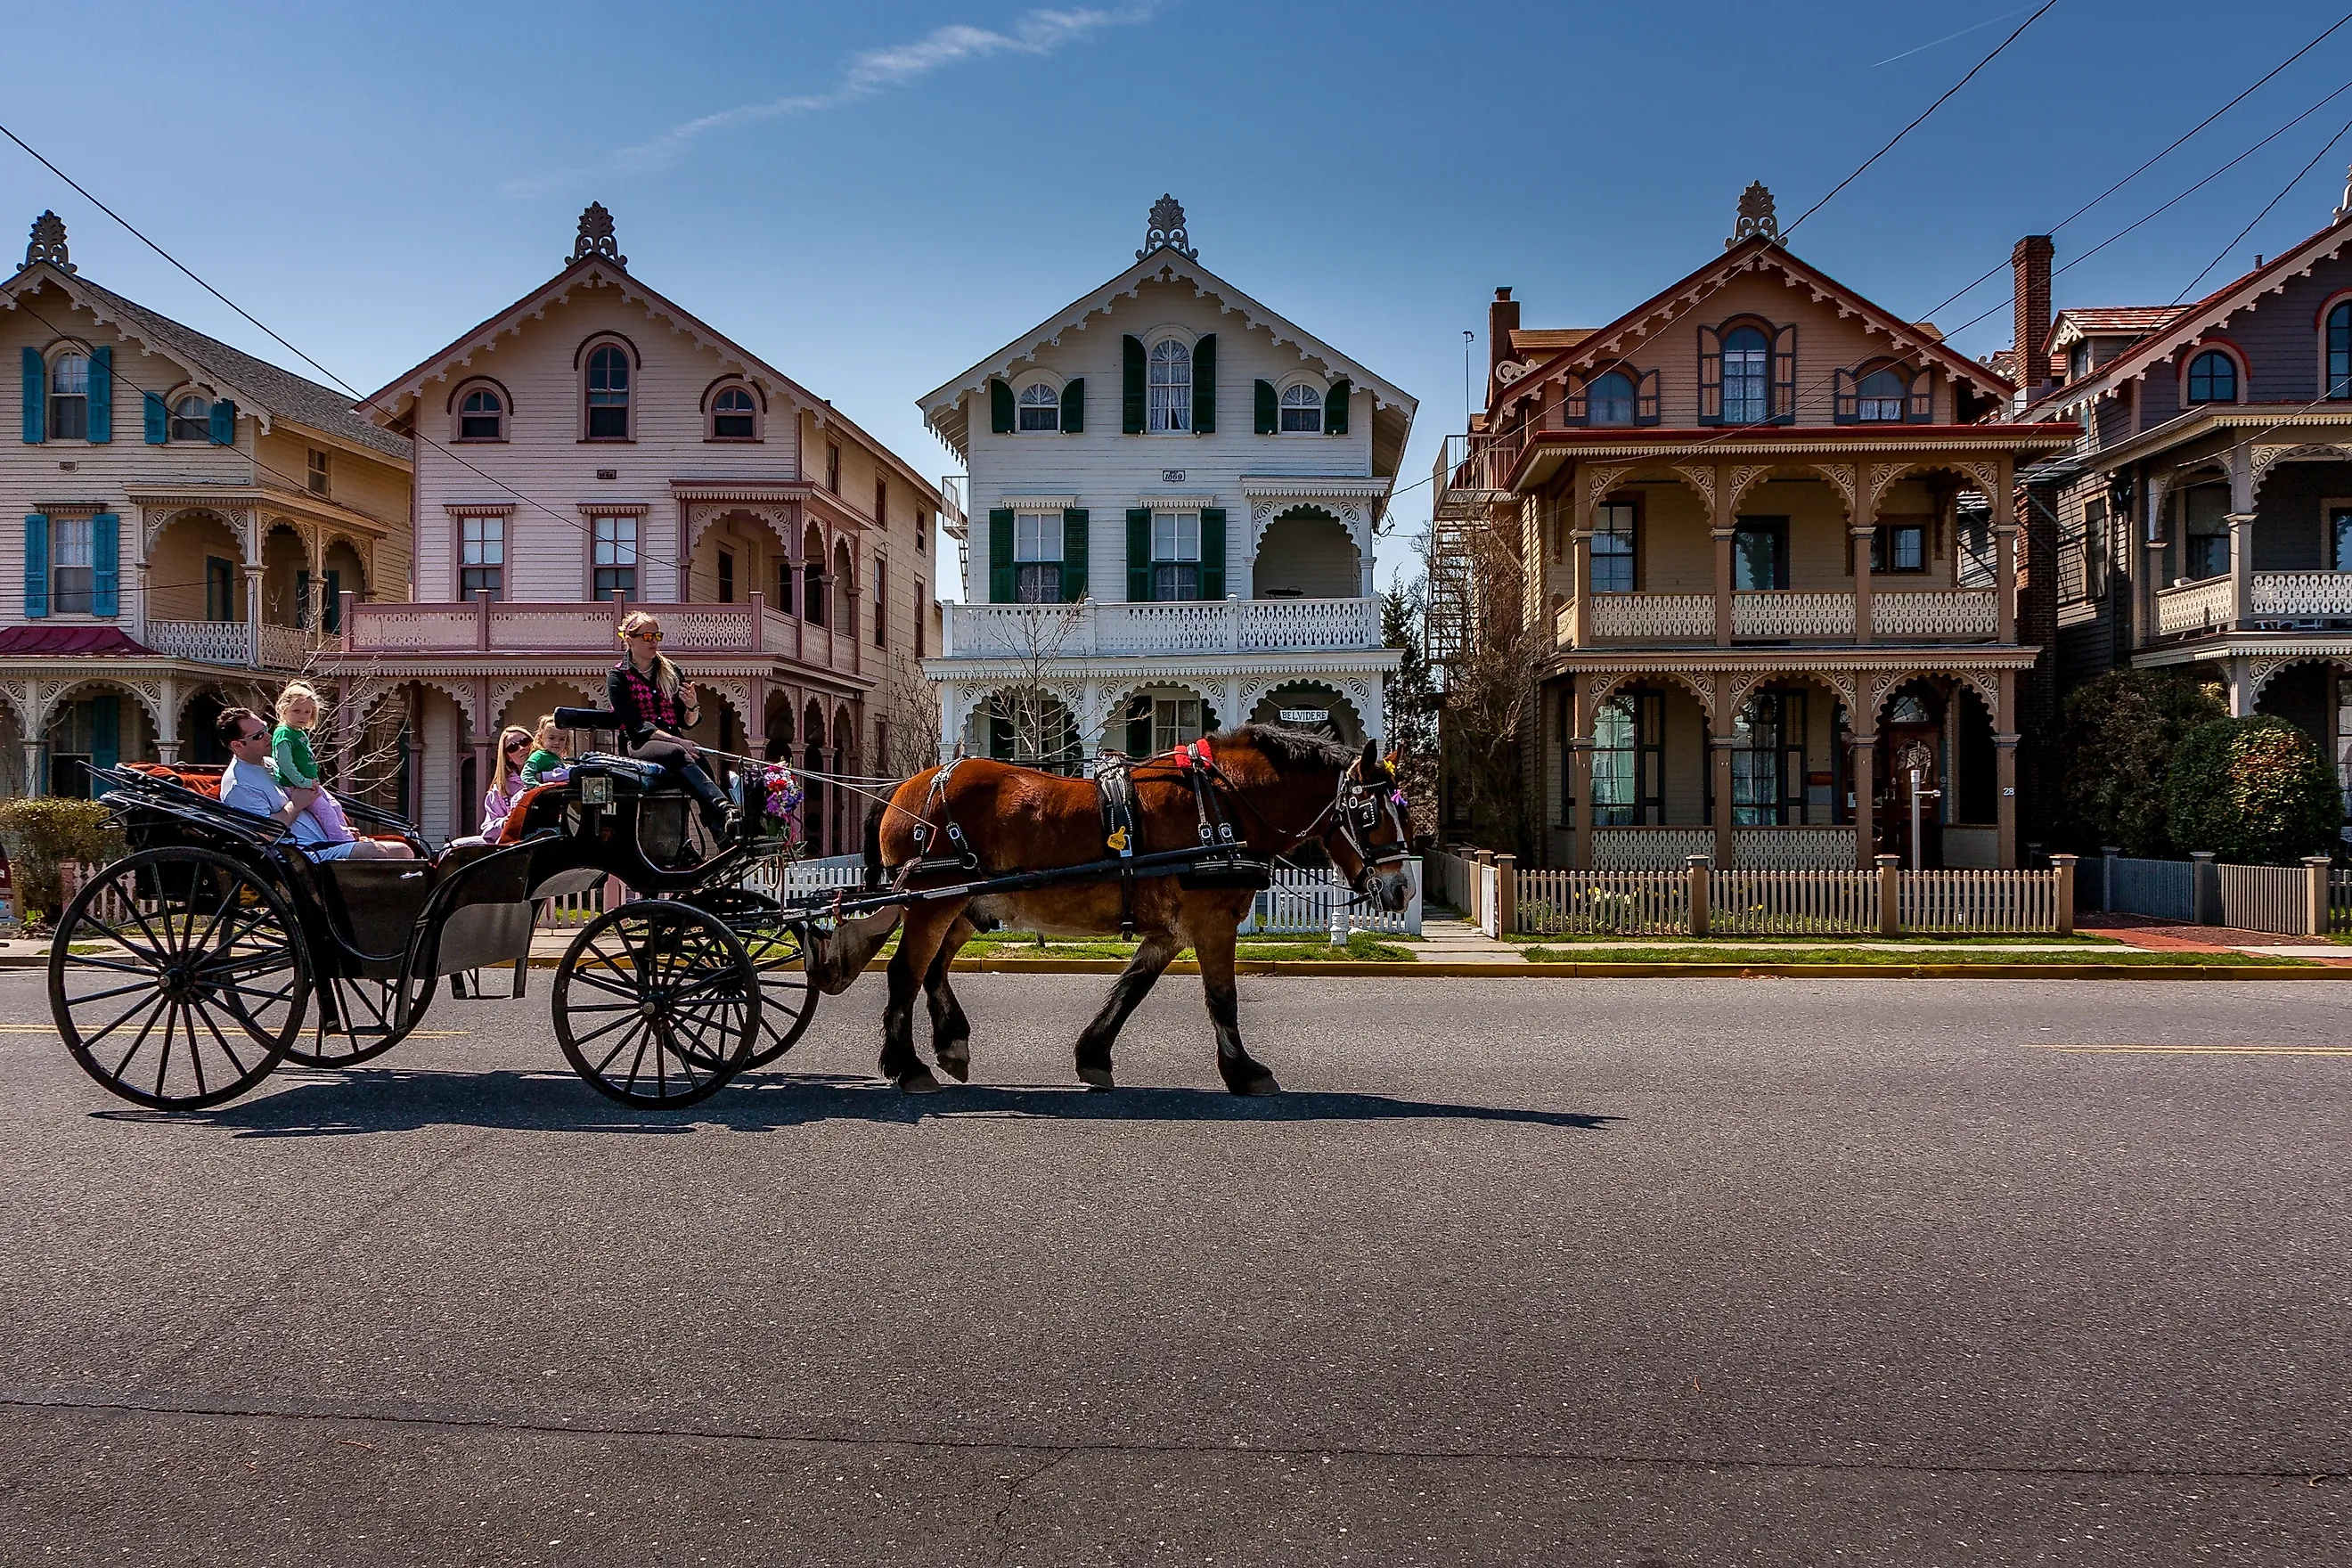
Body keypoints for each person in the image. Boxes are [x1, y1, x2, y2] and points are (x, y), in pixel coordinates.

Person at [217, 706, 412, 861]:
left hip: (324, 842)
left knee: (404, 852)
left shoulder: (273, 763)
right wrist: (295, 805)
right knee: (374, 852)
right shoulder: (239, 784)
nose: (269, 736)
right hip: (298, 855)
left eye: (266, 728)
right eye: (258, 736)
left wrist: (338, 828)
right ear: (238, 745)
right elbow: (261, 836)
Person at [608, 610, 736, 844]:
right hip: (638, 743)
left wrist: (692, 706)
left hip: (673, 739)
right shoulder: (618, 676)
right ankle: (724, 807)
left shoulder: (671, 671)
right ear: (630, 639)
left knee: (700, 758)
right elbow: (637, 726)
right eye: (646, 637)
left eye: (657, 636)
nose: (653, 642)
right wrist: (680, 742)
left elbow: (684, 721)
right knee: (679, 752)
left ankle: (722, 832)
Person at [270, 681, 354, 846]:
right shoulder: (284, 733)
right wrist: (303, 782)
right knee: (325, 811)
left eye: (307, 712)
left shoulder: (298, 732)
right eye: (296, 711)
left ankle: (347, 835)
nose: (302, 716)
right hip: (297, 785)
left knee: (335, 806)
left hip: (309, 782)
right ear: (284, 709)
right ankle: (342, 842)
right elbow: (284, 763)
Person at [479, 726, 535, 840]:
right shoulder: (500, 789)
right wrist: (504, 822)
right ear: (508, 757)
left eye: (525, 742)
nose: (521, 748)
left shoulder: (553, 773)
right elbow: (487, 829)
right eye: (512, 747)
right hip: (514, 845)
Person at [519, 715, 571, 788]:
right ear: (541, 738)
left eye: (562, 739)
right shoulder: (538, 756)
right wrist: (537, 787)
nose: (557, 742)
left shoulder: (555, 757)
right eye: (551, 738)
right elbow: (526, 775)